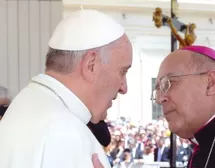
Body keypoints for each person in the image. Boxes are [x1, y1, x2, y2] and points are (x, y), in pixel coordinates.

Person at [0, 9, 132, 168]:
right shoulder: (66, 133)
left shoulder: (25, 104)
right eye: (122, 71)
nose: (124, 88)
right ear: (91, 65)